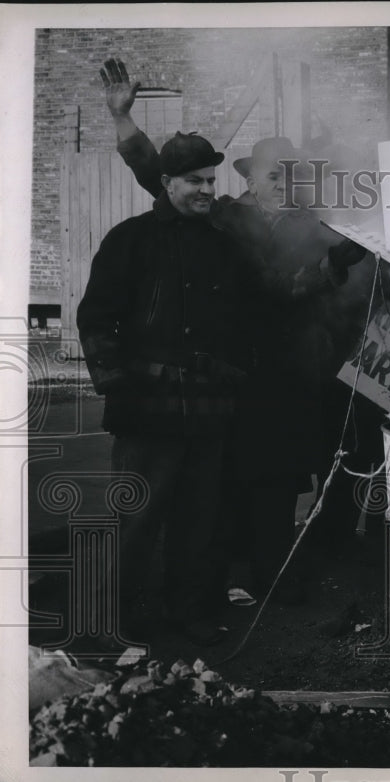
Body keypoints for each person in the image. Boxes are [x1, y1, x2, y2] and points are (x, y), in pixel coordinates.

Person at [99, 58, 383, 604]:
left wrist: (343, 264)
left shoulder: (315, 225)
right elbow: (159, 174)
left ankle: (272, 575)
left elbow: (317, 287)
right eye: (274, 173)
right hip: (232, 372)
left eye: (291, 174)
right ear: (250, 177)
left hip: (295, 370)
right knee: (220, 481)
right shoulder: (224, 217)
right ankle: (214, 582)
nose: (284, 182)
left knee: (282, 478)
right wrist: (124, 123)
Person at [77, 132, 251, 647]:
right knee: (136, 521)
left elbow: (243, 320)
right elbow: (96, 318)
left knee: (198, 524)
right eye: (194, 181)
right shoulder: (130, 239)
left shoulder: (223, 246)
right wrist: (115, 385)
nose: (206, 189)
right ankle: (119, 623)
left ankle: (187, 615)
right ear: (166, 182)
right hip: (146, 409)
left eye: (210, 180)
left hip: (208, 411)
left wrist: (237, 373)